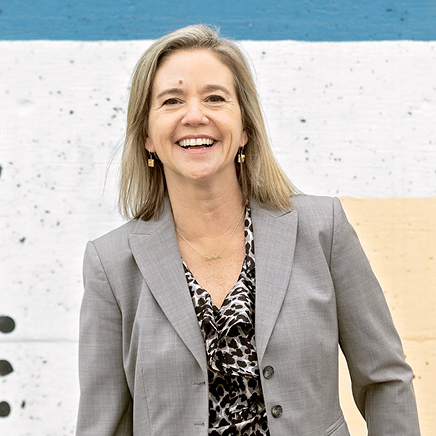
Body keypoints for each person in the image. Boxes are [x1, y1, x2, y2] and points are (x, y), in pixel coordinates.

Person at [76, 24, 420, 436]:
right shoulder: (111, 264)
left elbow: (384, 380)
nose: (195, 115)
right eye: (171, 100)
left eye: (215, 98)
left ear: (244, 128)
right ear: (147, 135)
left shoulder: (322, 230)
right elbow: (103, 423)